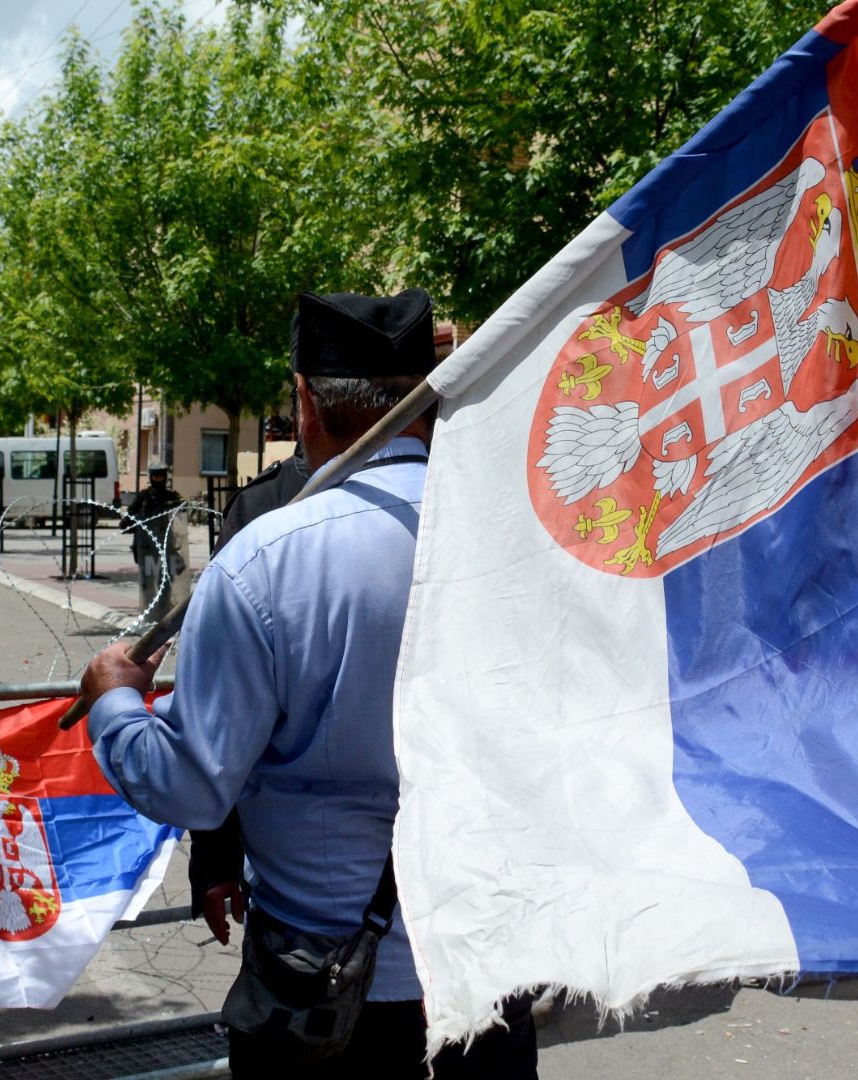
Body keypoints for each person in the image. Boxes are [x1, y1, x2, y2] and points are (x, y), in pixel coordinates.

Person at [80, 289, 537, 1078]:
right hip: (491, 976)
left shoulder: (268, 562)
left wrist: (114, 700)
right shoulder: (521, 540)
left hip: (326, 998)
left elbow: (192, 786)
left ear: (306, 402)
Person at [189, 444, 312, 944]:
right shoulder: (454, 484)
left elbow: (220, 706)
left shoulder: (268, 505)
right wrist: (216, 852)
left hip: (299, 878)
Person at [121, 462, 184, 619]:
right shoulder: (143, 497)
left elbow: (183, 510)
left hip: (166, 545)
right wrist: (134, 519)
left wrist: (174, 507)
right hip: (146, 546)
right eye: (155, 476)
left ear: (165, 477)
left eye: (161, 476)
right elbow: (128, 519)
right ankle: (149, 612)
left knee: (166, 580)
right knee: (147, 581)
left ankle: (163, 611)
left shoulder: (172, 497)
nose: (158, 479)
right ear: (150, 477)